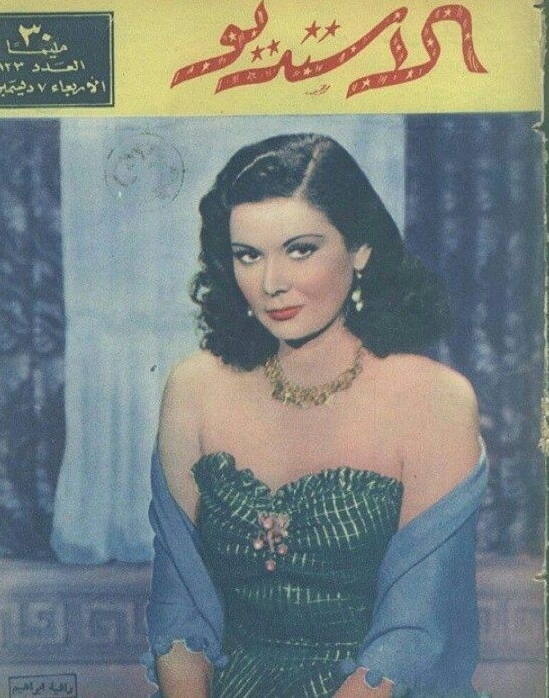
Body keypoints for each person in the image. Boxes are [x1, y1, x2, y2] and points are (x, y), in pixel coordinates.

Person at [143, 133, 487, 697]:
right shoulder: (193, 388)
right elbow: (179, 609)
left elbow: (413, 635)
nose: (271, 283)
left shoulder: (436, 399)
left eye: (300, 249)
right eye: (248, 255)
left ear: (360, 249)